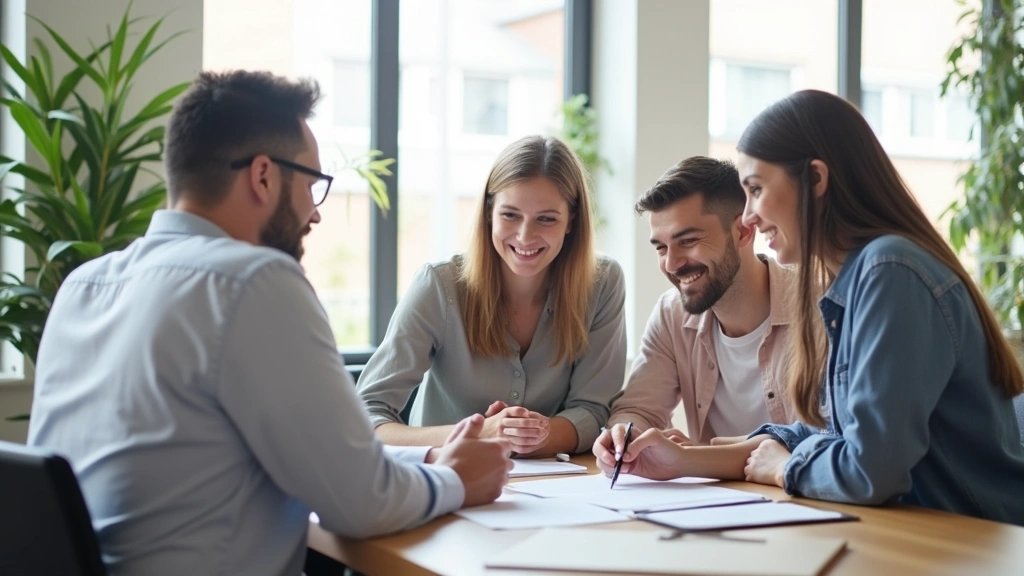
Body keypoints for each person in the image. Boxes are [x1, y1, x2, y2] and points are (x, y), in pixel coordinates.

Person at [27, 70, 512, 576]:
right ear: (263, 176)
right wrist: (457, 479)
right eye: (313, 185)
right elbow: (362, 504)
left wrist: (429, 461)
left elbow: (297, 463)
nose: (315, 214)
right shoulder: (252, 282)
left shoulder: (84, 285)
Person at [595, 90, 1024, 526]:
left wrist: (785, 467)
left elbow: (869, 469)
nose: (748, 218)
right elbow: (830, 436)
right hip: (912, 531)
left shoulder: (889, 270)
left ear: (816, 180)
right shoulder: (858, 279)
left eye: (756, 190)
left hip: (969, 541)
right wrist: (685, 461)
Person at [357, 135, 627, 456]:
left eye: (546, 219)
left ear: (571, 222)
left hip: (552, 486)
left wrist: (530, 434)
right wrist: (479, 434)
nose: (526, 236)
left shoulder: (603, 282)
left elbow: (593, 411)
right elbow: (366, 416)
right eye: (510, 215)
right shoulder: (439, 285)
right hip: (440, 483)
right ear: (489, 214)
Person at [596, 156, 798, 454]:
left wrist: (698, 457)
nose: (672, 263)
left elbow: (823, 439)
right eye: (661, 248)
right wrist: (623, 435)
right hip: (713, 497)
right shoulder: (671, 314)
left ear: (743, 231)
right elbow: (638, 409)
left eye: (688, 241)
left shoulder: (818, 308)